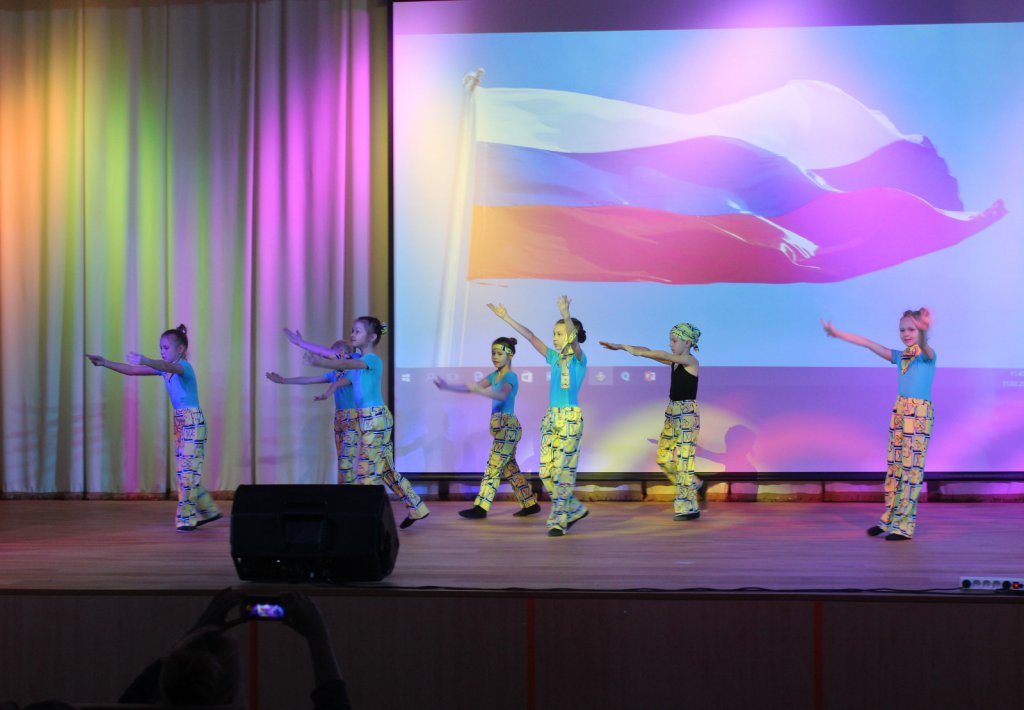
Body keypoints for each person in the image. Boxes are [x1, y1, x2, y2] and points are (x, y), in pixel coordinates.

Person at [86, 325, 221, 532]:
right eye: (161, 348)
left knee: (187, 472)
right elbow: (132, 371)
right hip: (181, 421)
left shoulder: (184, 367)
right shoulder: (165, 369)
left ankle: (186, 519)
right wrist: (105, 362)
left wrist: (146, 360)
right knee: (185, 471)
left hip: (192, 421)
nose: (162, 351)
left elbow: (167, 366)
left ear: (181, 349)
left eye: (166, 348)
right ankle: (209, 510)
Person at [119, 588, 351, 709]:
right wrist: (318, 636)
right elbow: (334, 703)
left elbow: (132, 699)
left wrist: (196, 632)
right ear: (235, 697)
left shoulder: (150, 690)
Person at [304, 317, 429, 529]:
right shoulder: (357, 357)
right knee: (385, 470)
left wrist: (320, 363)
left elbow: (343, 363)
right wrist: (302, 344)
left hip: (375, 419)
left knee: (366, 473)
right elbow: (332, 354)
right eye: (352, 331)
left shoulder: (372, 360)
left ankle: (367, 525)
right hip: (367, 419)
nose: (352, 335)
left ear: (371, 337)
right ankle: (417, 507)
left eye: (358, 331)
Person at [822, 308, 936, 540]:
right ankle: (890, 520)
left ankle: (904, 527)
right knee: (895, 469)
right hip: (901, 410)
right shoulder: (900, 357)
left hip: (918, 415)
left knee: (911, 470)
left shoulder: (927, 355)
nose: (906, 334)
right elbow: (868, 343)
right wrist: (838, 334)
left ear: (922, 331)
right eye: (902, 330)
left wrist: (924, 332)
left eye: (912, 329)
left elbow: (925, 346)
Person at [488, 296, 589, 536]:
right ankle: (574, 508)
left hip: (570, 418)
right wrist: (506, 317)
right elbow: (531, 336)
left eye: (560, 334)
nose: (555, 338)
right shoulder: (554, 358)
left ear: (571, 335)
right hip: (551, 417)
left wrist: (566, 314)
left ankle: (559, 521)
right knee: (546, 473)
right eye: (554, 333)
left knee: (563, 473)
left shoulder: (579, 359)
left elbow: (574, 343)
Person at [601, 323, 705, 520]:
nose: (670, 344)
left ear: (687, 342)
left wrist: (636, 352)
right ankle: (693, 483)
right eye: (670, 340)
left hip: (687, 414)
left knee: (684, 462)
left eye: (674, 341)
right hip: (672, 411)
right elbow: (650, 351)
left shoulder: (690, 361)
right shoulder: (675, 361)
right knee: (663, 458)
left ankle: (688, 507)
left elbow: (662, 355)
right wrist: (623, 347)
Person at [433, 336, 541, 519]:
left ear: (510, 355)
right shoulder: (493, 376)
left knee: (493, 466)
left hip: (508, 428)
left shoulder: (510, 376)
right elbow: (471, 387)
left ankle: (480, 507)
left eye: (499, 353)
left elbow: (501, 396)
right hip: (501, 428)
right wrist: (447, 386)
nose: (495, 357)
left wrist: (479, 390)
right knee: (510, 468)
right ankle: (530, 504)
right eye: (493, 353)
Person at [267, 338, 360, 484]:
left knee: (346, 460)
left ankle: (354, 494)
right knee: (342, 461)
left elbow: (336, 383)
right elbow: (308, 380)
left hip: (352, 417)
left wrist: (327, 394)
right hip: (339, 417)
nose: (328, 359)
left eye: (332, 355)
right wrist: (284, 380)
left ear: (342, 353)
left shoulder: (355, 368)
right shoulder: (334, 374)